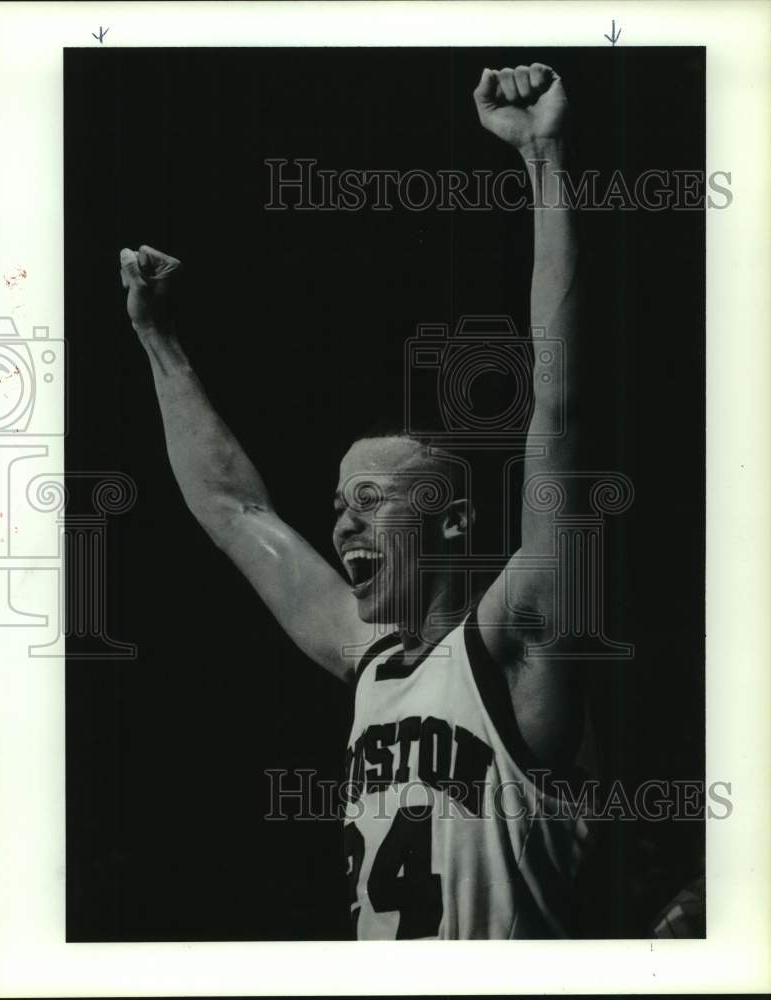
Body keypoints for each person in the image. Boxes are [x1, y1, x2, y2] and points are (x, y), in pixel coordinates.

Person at [120, 62, 590, 939]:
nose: (343, 523)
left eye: (370, 500)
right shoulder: (368, 656)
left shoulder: (513, 643)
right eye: (339, 504)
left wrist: (543, 154)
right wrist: (158, 340)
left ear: (453, 519)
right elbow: (235, 512)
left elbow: (558, 407)